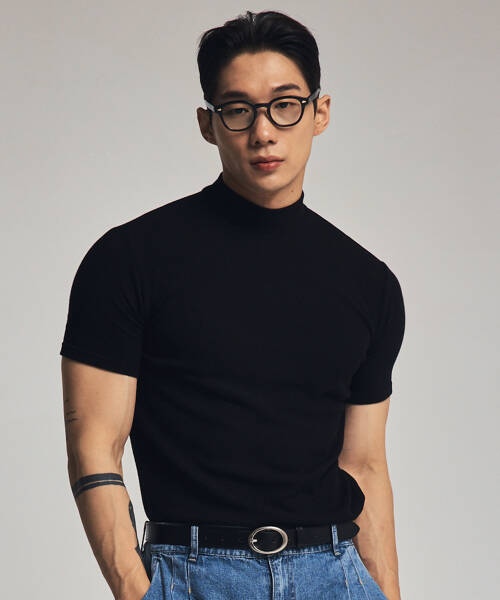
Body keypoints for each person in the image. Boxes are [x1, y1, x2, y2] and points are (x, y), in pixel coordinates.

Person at [60, 10, 405, 600]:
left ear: (320, 113)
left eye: (285, 104)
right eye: (238, 109)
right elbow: (95, 444)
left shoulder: (369, 282)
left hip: (336, 575)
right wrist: (137, 591)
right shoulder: (129, 259)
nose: (263, 131)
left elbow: (365, 464)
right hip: (192, 575)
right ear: (208, 123)